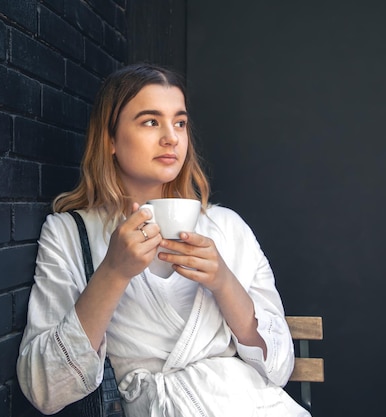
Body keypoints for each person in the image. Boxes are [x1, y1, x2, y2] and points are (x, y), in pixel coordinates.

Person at [16, 63, 310, 416]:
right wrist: (113, 273)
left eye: (180, 122)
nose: (171, 137)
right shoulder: (68, 233)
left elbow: (278, 367)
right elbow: (44, 389)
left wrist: (223, 282)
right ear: (110, 139)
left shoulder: (227, 227)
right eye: (151, 121)